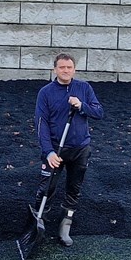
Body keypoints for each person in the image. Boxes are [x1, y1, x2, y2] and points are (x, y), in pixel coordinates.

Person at [34, 52, 104, 247]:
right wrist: (48, 151)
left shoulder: (84, 88)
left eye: (69, 67)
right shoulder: (46, 92)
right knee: (46, 188)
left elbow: (99, 112)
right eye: (62, 67)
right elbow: (41, 123)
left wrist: (81, 105)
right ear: (55, 69)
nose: (66, 71)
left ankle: (65, 227)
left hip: (80, 148)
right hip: (55, 150)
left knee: (74, 190)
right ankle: (38, 224)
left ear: (74, 69)